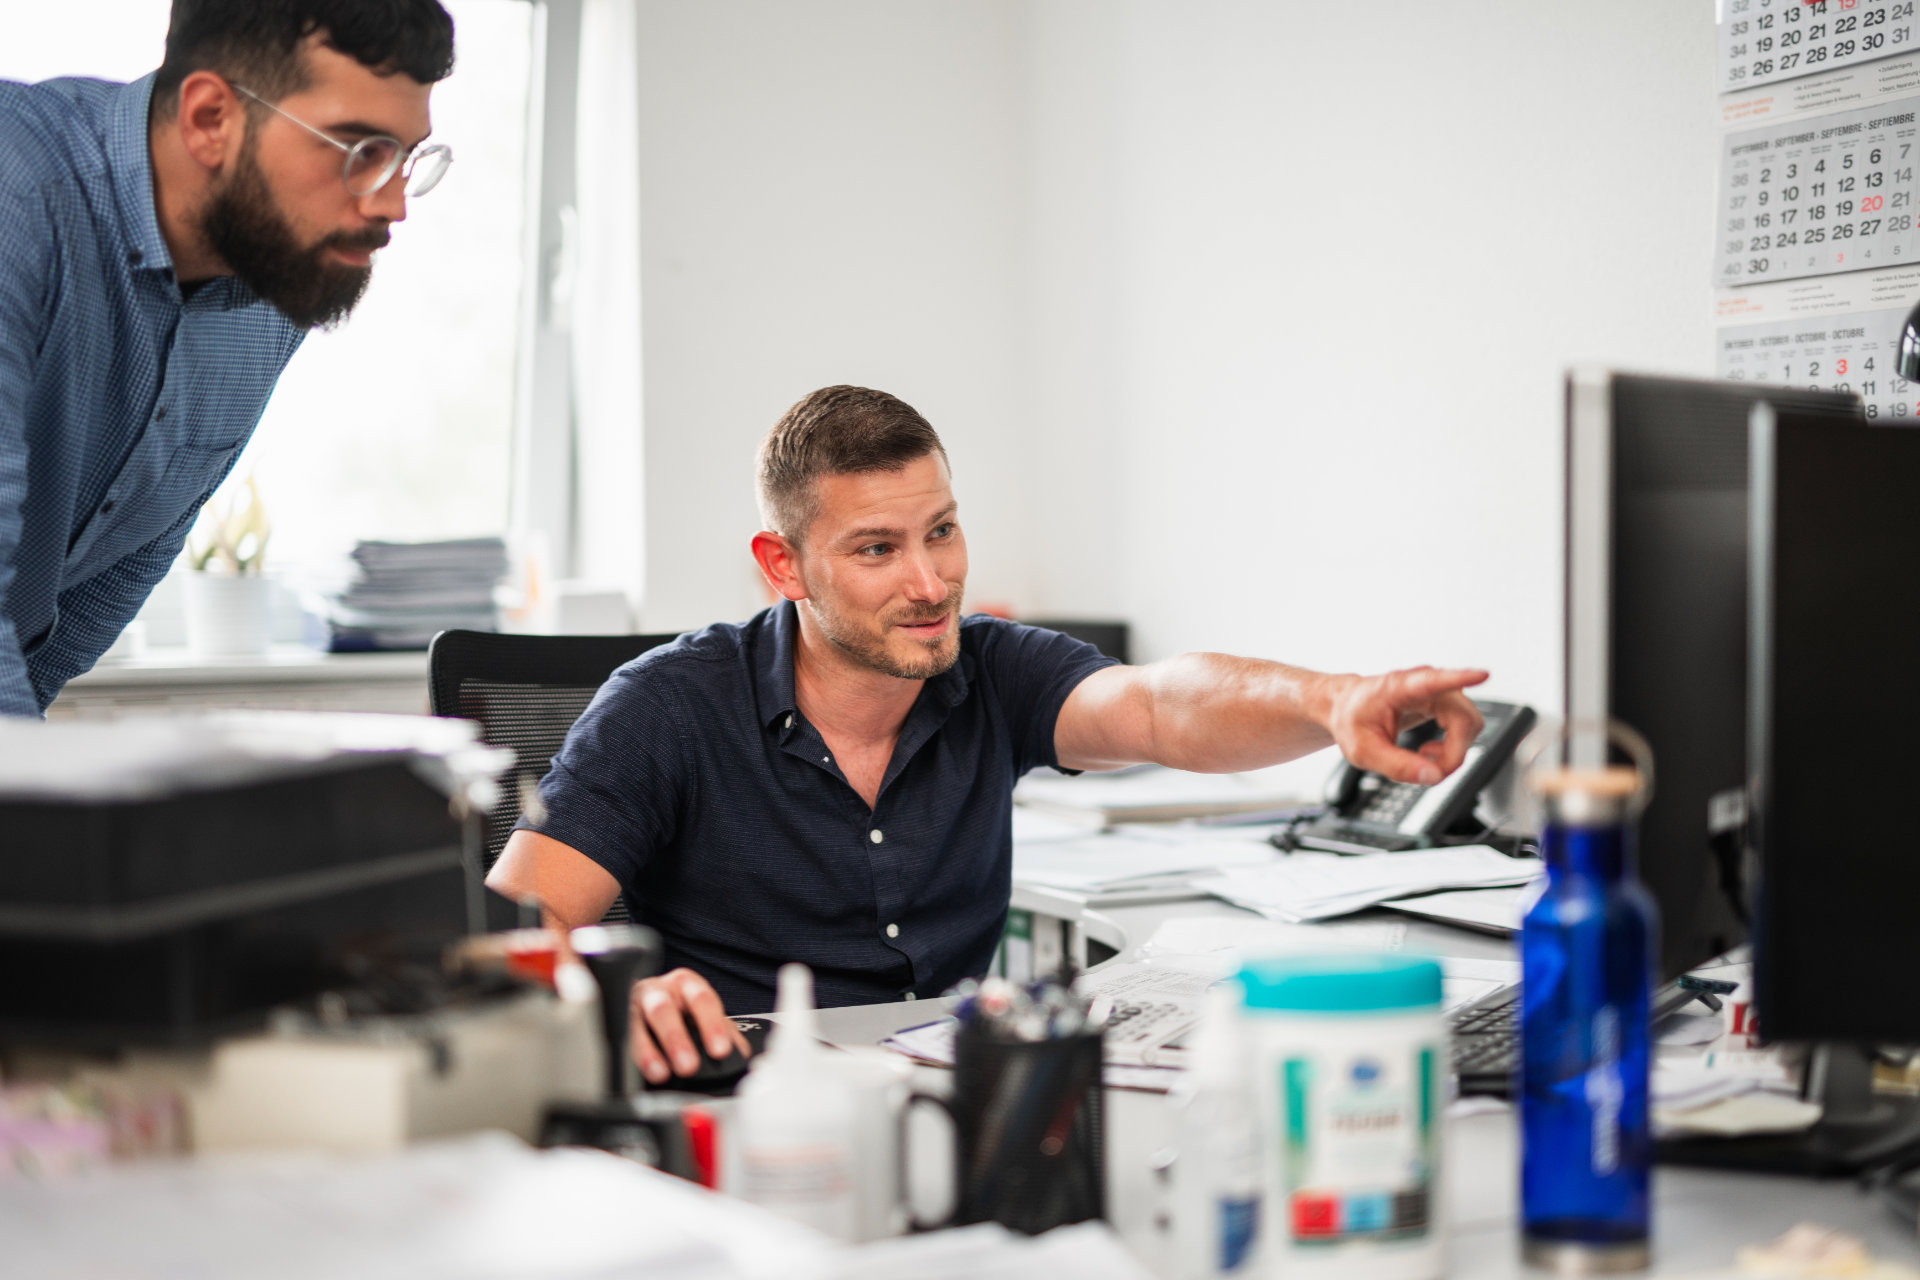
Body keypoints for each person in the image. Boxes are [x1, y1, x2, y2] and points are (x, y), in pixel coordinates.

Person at [487, 385, 1491, 1084]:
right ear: (782, 564)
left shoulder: (993, 668)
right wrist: (619, 989)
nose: (931, 583)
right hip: (751, 1107)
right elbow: (507, 935)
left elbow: (1161, 703)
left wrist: (1333, 701)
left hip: (957, 1096)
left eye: (943, 530)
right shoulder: (667, 706)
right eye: (878, 548)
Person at [0, 0, 456, 716]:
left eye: (405, 156)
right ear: (210, 118)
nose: (393, 203)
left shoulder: (269, 283)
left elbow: (128, 549)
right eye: (358, 151)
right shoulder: (18, 199)